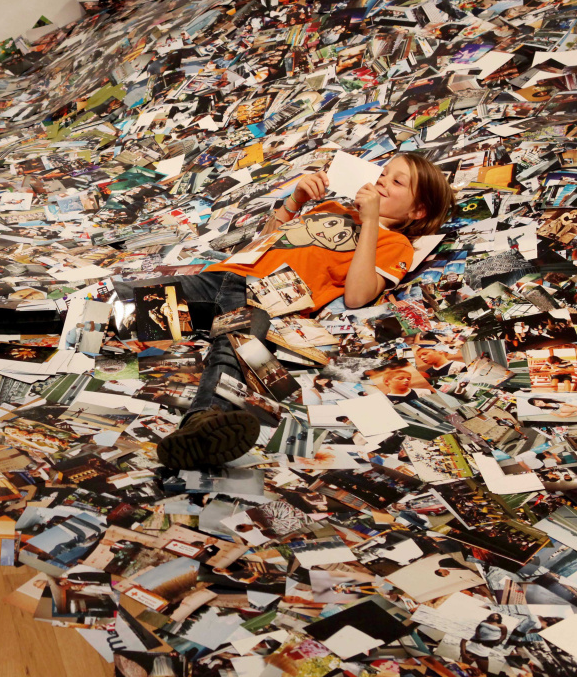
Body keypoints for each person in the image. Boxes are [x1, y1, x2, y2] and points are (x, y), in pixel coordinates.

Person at [151, 153, 454, 469]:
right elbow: (264, 242)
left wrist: (372, 221)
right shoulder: (332, 208)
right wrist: (295, 201)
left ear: (418, 210)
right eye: (384, 173)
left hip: (263, 301)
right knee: (132, 304)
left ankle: (201, 425)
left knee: (237, 346)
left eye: (396, 181)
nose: (382, 181)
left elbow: (357, 296)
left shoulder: (396, 244)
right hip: (223, 278)